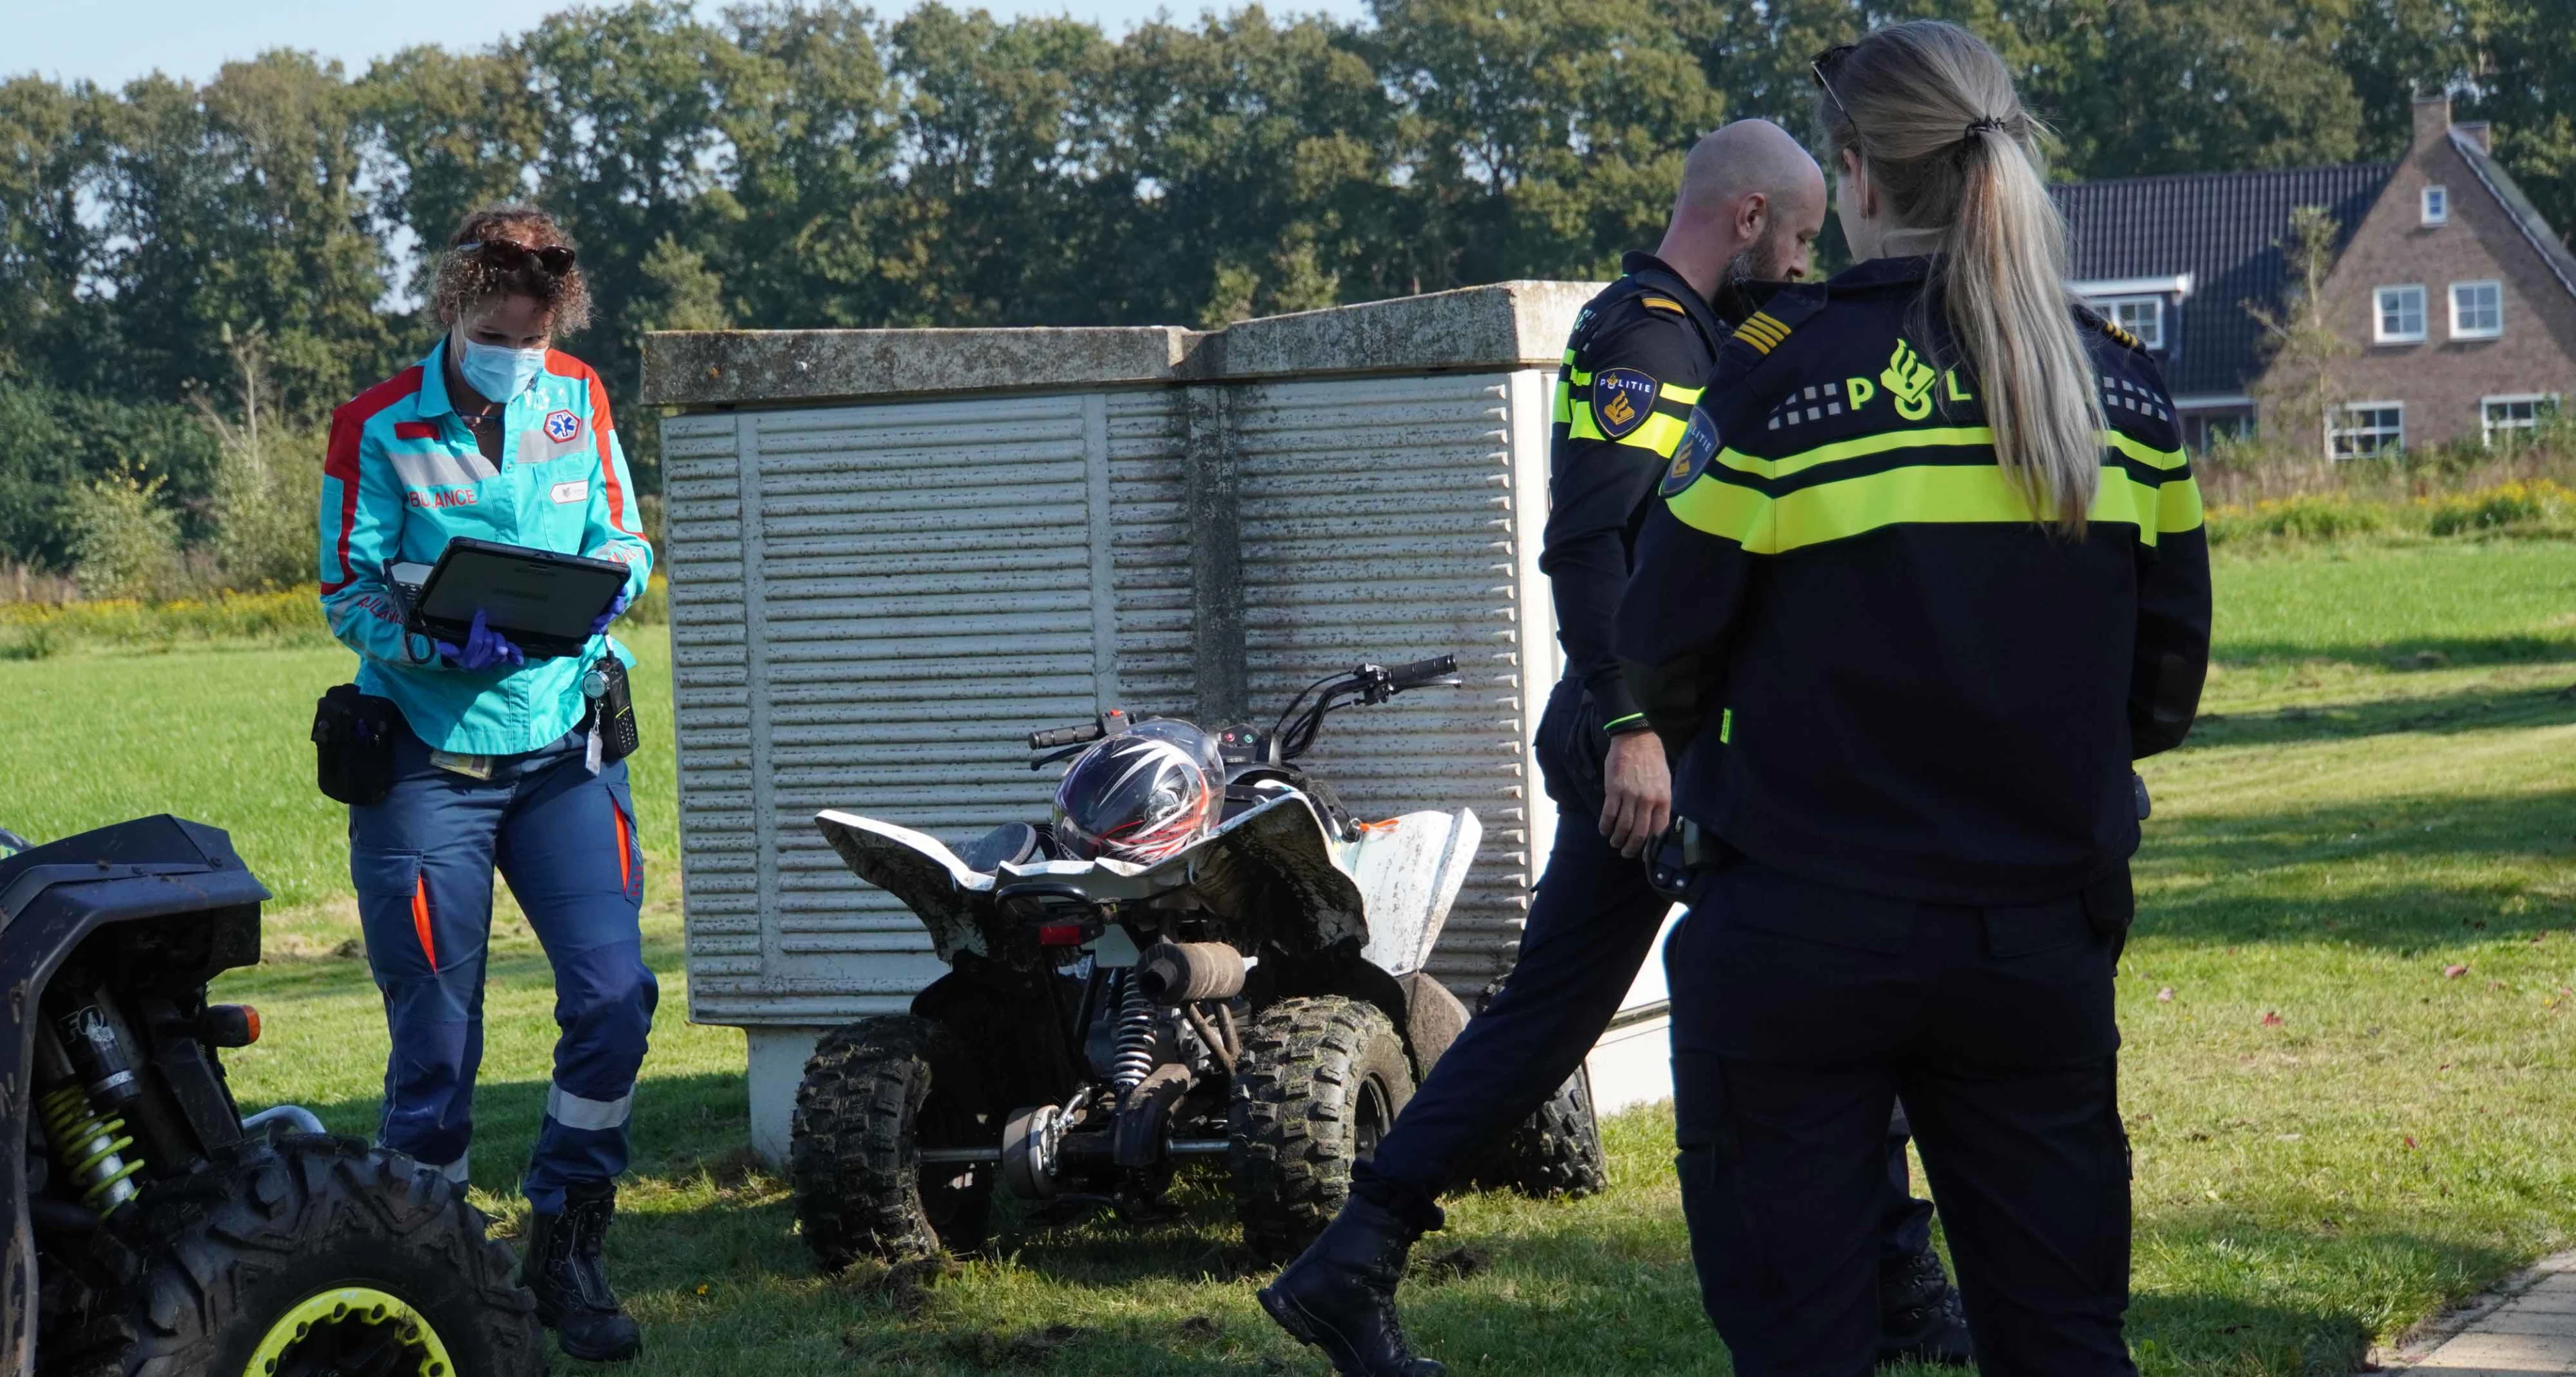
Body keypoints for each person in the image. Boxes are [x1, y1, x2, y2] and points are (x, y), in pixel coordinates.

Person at [1259, 119, 1972, 1377]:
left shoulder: (1695, 334)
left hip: (1666, 741)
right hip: (1652, 750)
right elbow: (1587, 552)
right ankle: (1902, 1285)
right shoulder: (1644, 337)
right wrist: (1635, 728)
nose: (1808, 265)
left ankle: (1348, 1261)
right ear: (1746, 218)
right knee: (1836, 968)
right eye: (1799, 238)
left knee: (1547, 1023)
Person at [1615, 21, 2211, 1376]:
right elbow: (2164, 688)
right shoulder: (2122, 388)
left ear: (1859, 177)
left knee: (1802, 1346)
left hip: (1798, 936)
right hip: (2035, 939)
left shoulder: (1774, 381)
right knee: (2064, 1341)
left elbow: (1657, 646)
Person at [319, 205, 657, 1364]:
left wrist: (602, 593)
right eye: (501, 334)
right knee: (436, 1038)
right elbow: (346, 595)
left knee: (615, 999)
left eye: (538, 336)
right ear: (458, 308)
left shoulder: (581, 397)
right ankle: (434, 1262)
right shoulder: (372, 424)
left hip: (565, 751)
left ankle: (567, 1240)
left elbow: (625, 538)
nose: (521, 359)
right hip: (426, 762)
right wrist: (432, 641)